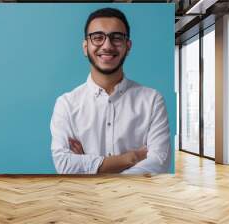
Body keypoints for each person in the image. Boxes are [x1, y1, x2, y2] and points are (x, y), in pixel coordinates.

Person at [50, 7, 171, 174]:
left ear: (128, 46)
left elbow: (158, 163)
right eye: (98, 37)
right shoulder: (66, 104)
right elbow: (64, 164)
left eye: (116, 38)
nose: (107, 45)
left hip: (134, 200)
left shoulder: (152, 100)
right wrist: (131, 158)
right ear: (85, 47)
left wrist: (90, 167)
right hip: (83, 200)